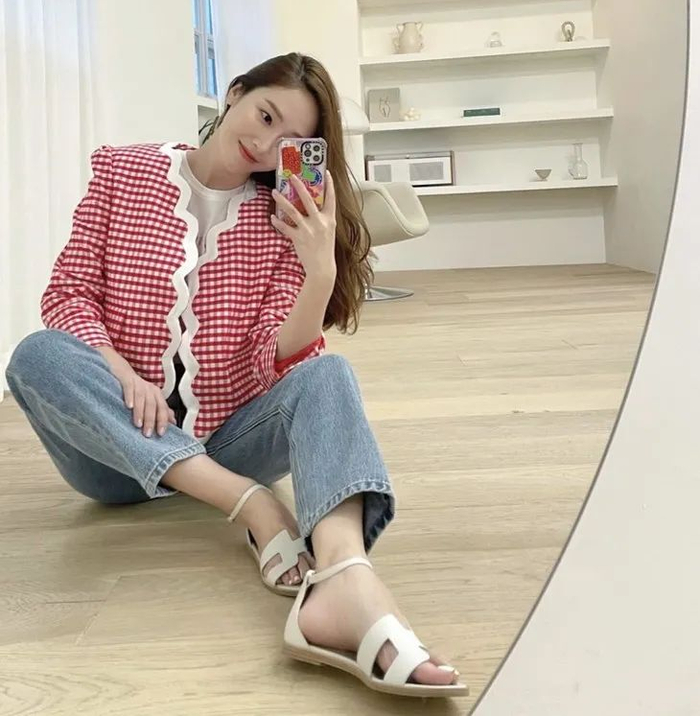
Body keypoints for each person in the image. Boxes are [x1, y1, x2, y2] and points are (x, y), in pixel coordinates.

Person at [6, 52, 465, 698]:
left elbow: (269, 359)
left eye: (289, 141)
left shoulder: (280, 217)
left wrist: (320, 270)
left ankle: (344, 579)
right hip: (112, 460)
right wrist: (122, 375)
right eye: (265, 115)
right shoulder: (124, 171)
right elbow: (69, 293)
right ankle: (253, 506)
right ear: (235, 92)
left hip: (228, 439)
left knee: (328, 372)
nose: (265, 143)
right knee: (37, 354)